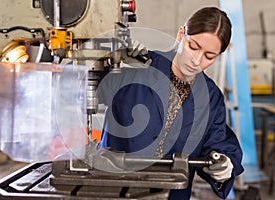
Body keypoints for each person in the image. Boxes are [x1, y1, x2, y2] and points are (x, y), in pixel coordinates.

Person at [97, 6, 244, 199]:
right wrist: (105, 60)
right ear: (181, 34)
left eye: (209, 56)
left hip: (172, 195)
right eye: (193, 46)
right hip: (115, 189)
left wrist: (225, 165)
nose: (196, 60)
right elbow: (84, 90)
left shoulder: (211, 97)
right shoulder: (138, 67)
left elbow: (218, 143)